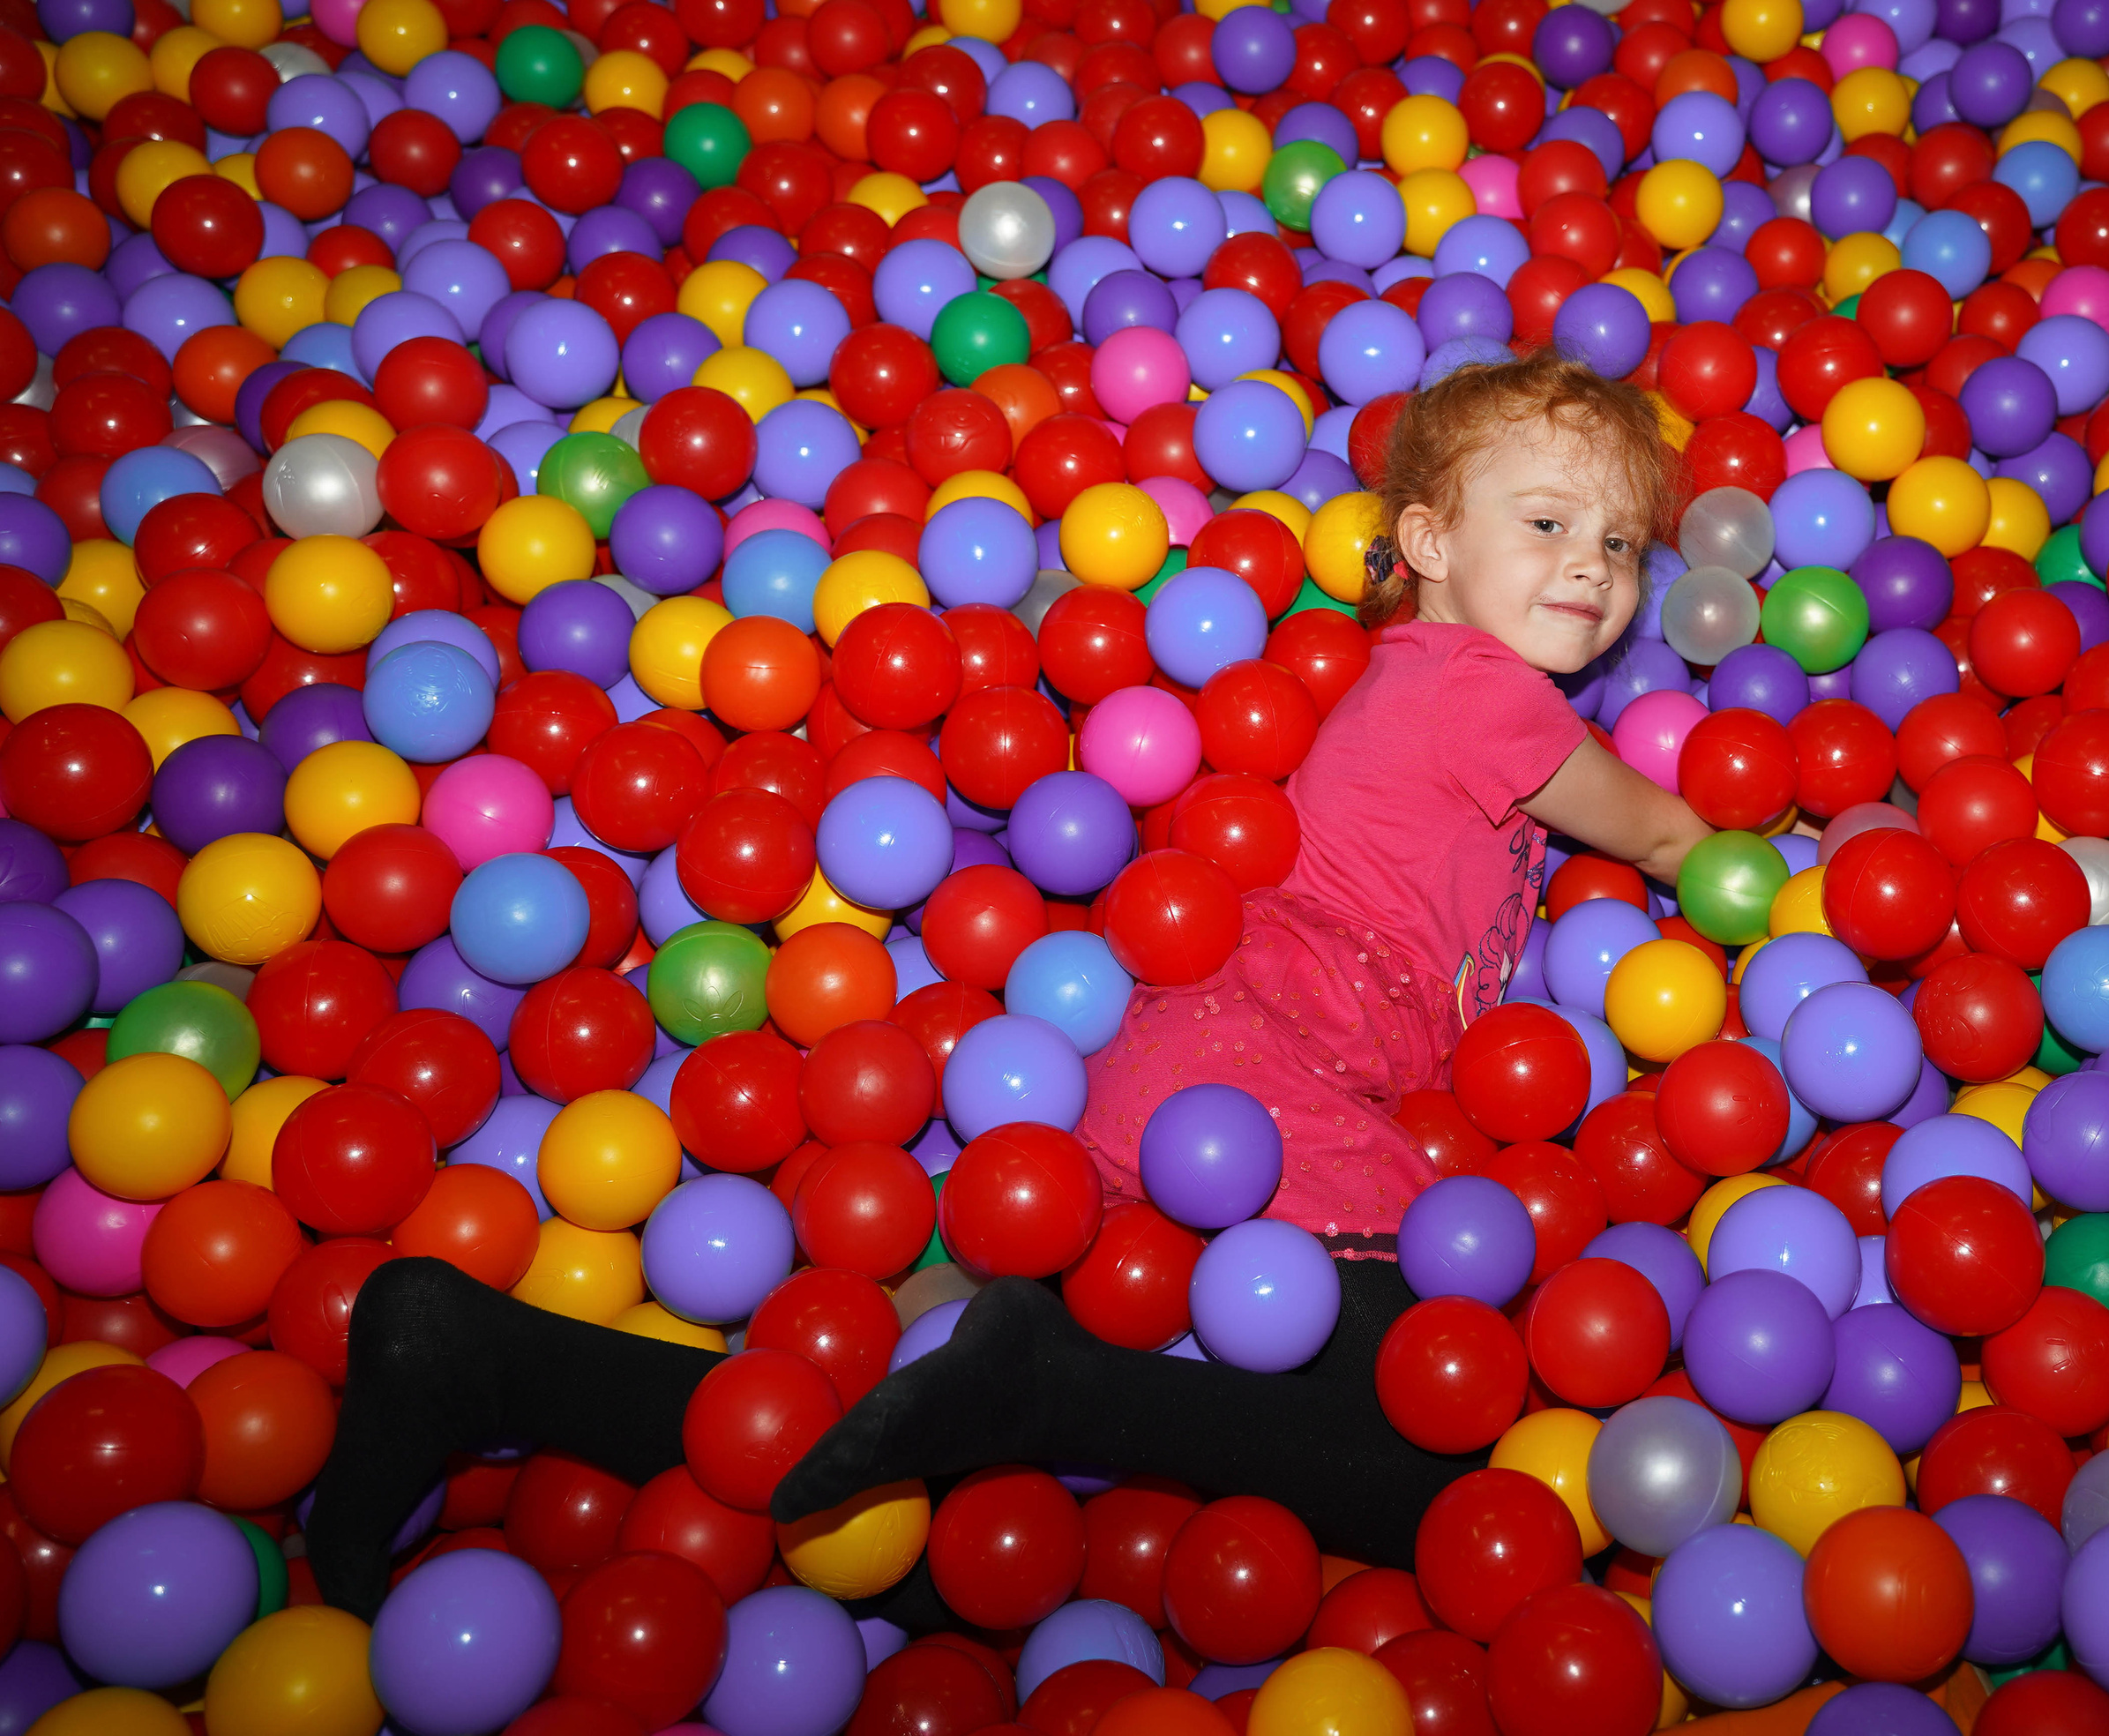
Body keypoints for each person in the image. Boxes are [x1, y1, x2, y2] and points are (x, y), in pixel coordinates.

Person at [307, 349, 1712, 1623]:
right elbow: (1659, 832)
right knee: (1440, 1465)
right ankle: (1046, 1387)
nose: (1592, 564)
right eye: (1547, 523)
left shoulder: (1422, 679)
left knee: (883, 1455)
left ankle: (473, 1355)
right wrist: (1778, 871)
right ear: (1426, 542)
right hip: (1277, 1073)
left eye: (1621, 543)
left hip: (1205, 1060)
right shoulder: (1481, 689)